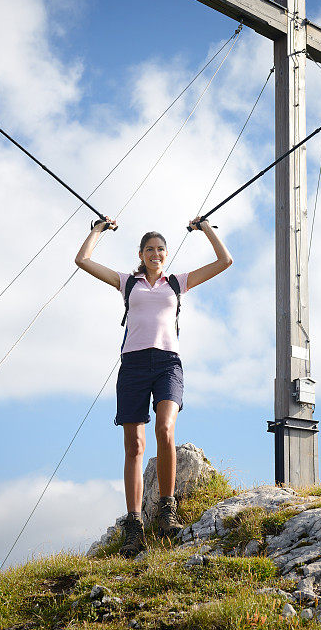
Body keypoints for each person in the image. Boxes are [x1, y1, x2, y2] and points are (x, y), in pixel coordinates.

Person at [75, 215, 233, 556]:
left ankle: (166, 508)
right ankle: (134, 524)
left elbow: (225, 261)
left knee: (165, 428)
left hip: (167, 364)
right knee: (134, 445)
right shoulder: (126, 282)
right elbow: (82, 261)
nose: (156, 253)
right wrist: (98, 230)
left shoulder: (177, 282)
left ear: (166, 253)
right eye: (150, 249)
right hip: (132, 366)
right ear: (141, 253)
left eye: (161, 249)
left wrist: (204, 228)